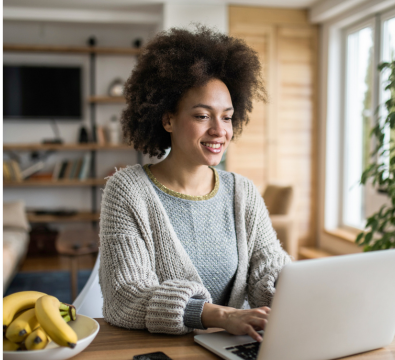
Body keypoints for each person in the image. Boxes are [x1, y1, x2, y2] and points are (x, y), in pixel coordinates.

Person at [98, 26, 292, 343]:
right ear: (168, 119)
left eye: (227, 117)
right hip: (163, 350)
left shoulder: (243, 192)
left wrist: (293, 290)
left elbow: (268, 269)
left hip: (234, 347)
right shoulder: (127, 190)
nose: (219, 130)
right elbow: (125, 296)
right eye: (203, 116)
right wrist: (220, 316)